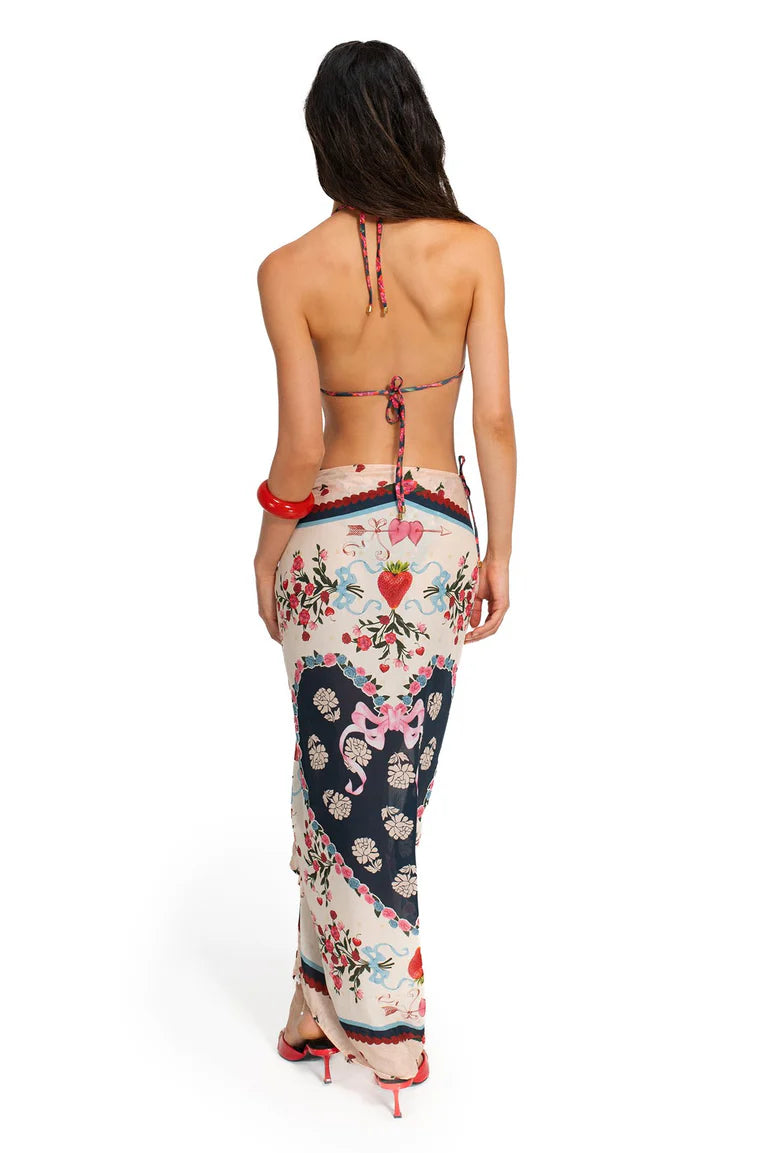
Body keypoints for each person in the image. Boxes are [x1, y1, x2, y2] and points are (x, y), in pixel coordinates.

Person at [253, 40, 516, 1117]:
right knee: (385, 780)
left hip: (331, 542)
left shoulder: (288, 271)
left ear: (325, 137)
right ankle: (316, 1005)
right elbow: (493, 419)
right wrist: (501, 549)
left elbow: (301, 449)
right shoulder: (473, 251)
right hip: (441, 538)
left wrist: (267, 549)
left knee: (340, 775)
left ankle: (384, 1029)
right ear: (415, 124)